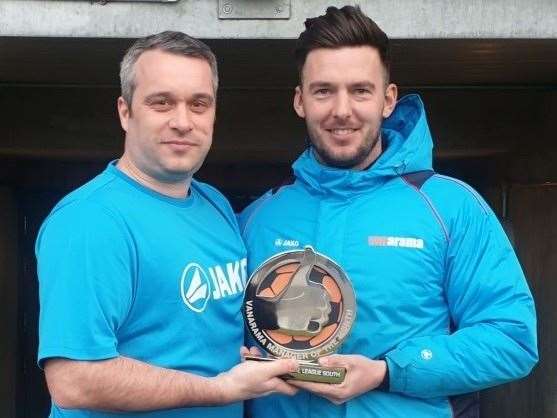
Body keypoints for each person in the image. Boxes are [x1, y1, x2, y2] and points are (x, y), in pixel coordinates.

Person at [239, 6, 538, 418]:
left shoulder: (450, 208)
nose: (342, 110)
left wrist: (387, 372)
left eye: (360, 90)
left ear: (388, 99)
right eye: (324, 91)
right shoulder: (258, 217)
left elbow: (512, 340)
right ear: (300, 101)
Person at [35, 31, 298, 418]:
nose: (182, 121)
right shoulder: (90, 221)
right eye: (162, 102)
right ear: (126, 112)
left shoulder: (216, 205)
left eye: (198, 104)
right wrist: (219, 389)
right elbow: (75, 379)